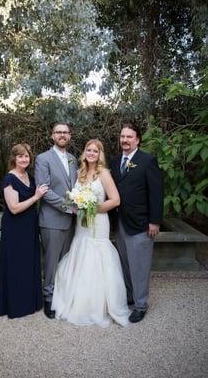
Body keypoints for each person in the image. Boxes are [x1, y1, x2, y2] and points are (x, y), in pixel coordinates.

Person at [52, 139, 130, 328]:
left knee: (96, 256)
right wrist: (78, 204)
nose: (91, 153)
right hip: (81, 223)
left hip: (98, 221)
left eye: (95, 151)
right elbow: (74, 198)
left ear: (100, 154)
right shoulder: (79, 173)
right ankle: (76, 300)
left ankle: (98, 304)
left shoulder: (104, 174)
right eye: (89, 150)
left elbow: (116, 200)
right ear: (84, 152)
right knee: (81, 250)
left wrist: (93, 208)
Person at [110, 122, 164, 323]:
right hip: (121, 222)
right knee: (125, 263)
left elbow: (157, 193)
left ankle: (141, 305)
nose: (125, 140)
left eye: (129, 137)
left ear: (137, 140)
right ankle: (130, 296)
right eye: (123, 136)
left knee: (140, 266)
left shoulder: (147, 160)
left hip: (141, 223)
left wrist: (155, 221)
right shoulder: (116, 161)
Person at [0, 143, 48, 319]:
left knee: (28, 262)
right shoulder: (9, 179)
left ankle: (30, 301)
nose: (24, 159)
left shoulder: (29, 176)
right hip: (15, 227)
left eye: (26, 156)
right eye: (20, 156)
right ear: (14, 158)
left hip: (29, 226)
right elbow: (14, 208)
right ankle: (16, 305)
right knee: (16, 264)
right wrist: (36, 197)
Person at [34, 122, 77, 319]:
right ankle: (48, 298)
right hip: (52, 220)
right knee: (51, 262)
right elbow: (44, 190)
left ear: (70, 136)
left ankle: (62, 295)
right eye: (58, 132)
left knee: (65, 261)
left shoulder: (73, 159)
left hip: (72, 221)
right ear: (52, 136)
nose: (62, 135)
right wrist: (69, 207)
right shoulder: (43, 159)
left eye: (65, 132)